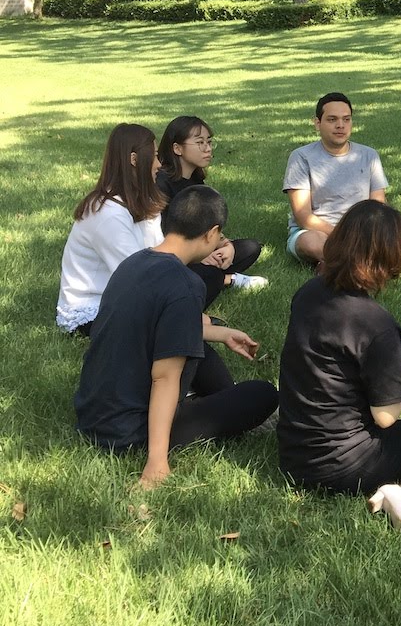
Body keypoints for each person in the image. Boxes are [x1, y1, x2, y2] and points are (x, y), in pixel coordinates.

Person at [277, 200, 401, 536]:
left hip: (294, 452)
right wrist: (394, 365)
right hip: (342, 463)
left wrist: (388, 358)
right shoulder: (376, 323)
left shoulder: (308, 293)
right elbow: (386, 417)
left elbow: (335, 362)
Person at [74, 186, 279, 489]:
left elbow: (152, 324)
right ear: (212, 233)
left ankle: (215, 397)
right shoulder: (186, 285)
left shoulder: (133, 263)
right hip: (130, 430)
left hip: (94, 413)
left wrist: (221, 333)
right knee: (262, 394)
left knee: (196, 343)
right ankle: (204, 409)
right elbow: (165, 377)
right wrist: (156, 462)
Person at [283, 92, 401, 265]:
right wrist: (346, 237)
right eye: (332, 119)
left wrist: (371, 235)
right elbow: (303, 217)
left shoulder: (369, 155)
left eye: (346, 119)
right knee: (311, 243)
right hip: (320, 233)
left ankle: (344, 263)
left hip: (365, 233)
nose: (340, 125)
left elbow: (378, 207)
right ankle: (390, 258)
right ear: (317, 123)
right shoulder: (301, 157)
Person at [57, 123, 166, 336]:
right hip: (92, 310)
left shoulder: (142, 200)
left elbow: (159, 254)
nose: (159, 164)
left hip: (123, 295)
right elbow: (136, 275)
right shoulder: (107, 213)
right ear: (134, 159)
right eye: (154, 156)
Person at [157, 115, 267, 307]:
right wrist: (199, 254)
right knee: (207, 273)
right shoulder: (162, 184)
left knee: (250, 248)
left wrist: (226, 246)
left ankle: (218, 273)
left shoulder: (197, 181)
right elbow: (161, 235)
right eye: (199, 143)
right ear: (177, 148)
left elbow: (208, 226)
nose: (207, 148)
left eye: (209, 142)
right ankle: (227, 279)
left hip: (202, 249)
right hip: (175, 258)